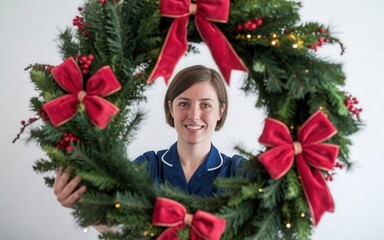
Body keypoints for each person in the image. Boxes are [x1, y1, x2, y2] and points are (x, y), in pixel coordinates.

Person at [54, 65, 245, 209]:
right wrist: (85, 203)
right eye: (184, 104)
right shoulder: (147, 166)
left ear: (220, 111)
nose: (194, 115)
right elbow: (122, 225)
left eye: (206, 105)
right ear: (171, 107)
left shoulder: (238, 171)